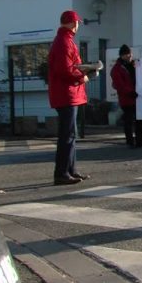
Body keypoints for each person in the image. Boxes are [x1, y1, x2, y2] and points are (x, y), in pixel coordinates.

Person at [48, 10, 91, 185]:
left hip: (67, 93)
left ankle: (69, 170)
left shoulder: (64, 41)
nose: (78, 25)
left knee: (70, 134)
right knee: (67, 135)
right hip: (67, 93)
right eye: (77, 22)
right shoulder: (64, 42)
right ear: (74, 23)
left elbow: (67, 67)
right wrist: (83, 76)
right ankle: (62, 173)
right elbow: (65, 70)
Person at [111, 44, 142, 148]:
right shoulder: (117, 69)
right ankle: (130, 141)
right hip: (127, 98)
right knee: (128, 120)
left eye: (129, 53)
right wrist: (130, 92)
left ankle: (140, 140)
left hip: (137, 97)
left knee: (140, 120)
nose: (129, 56)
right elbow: (119, 85)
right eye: (126, 54)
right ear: (121, 55)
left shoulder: (134, 65)